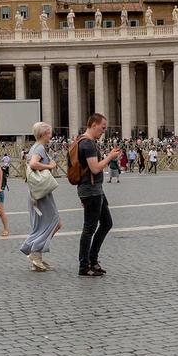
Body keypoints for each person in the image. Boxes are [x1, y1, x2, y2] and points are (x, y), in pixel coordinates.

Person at [72, 113, 120, 277]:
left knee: (106, 223)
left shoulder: (82, 141)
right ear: (93, 125)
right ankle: (84, 265)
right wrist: (110, 157)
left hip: (94, 189)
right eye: (102, 128)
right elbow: (95, 168)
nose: (103, 131)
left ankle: (93, 259)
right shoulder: (88, 144)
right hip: (91, 190)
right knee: (89, 228)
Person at [17, 121, 60, 272]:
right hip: (41, 193)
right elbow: (34, 164)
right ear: (43, 134)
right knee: (55, 222)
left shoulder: (35, 147)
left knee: (42, 224)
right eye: (49, 133)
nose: (51, 135)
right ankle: (34, 251)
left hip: (38, 192)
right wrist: (50, 166)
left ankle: (37, 256)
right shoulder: (39, 148)